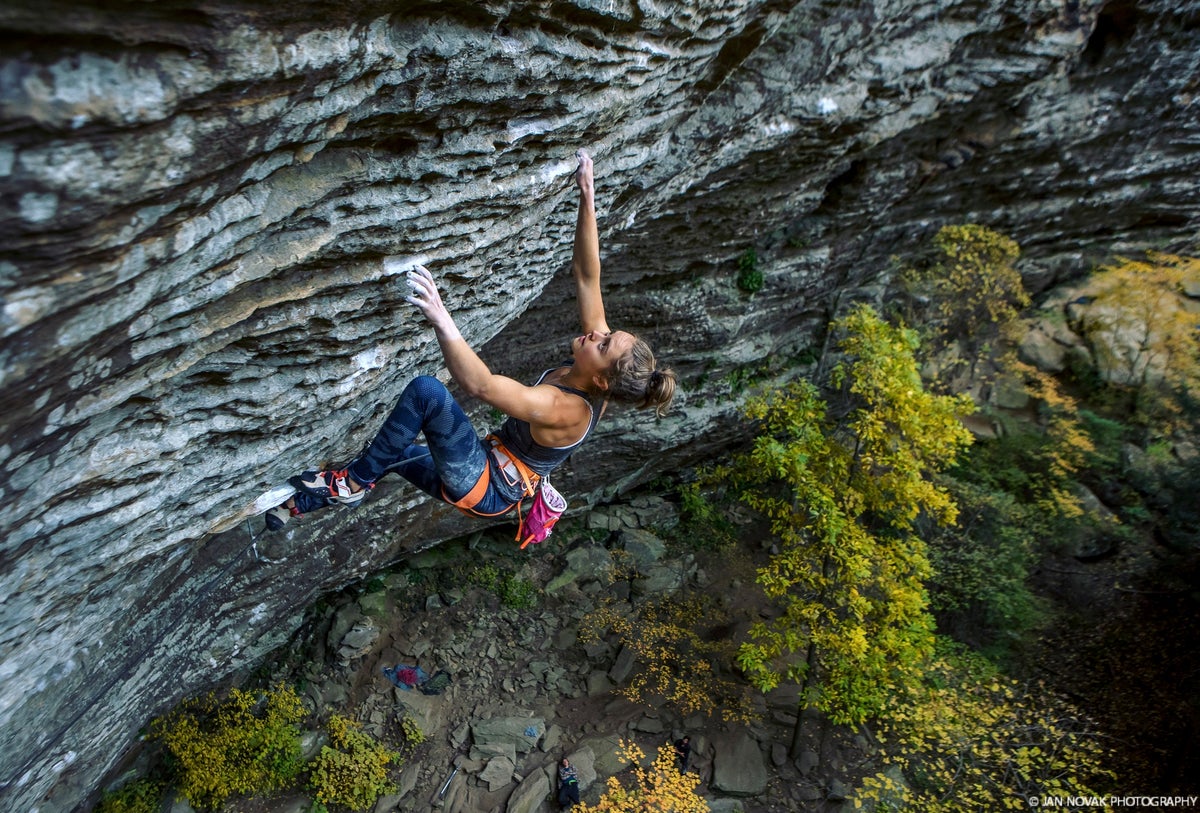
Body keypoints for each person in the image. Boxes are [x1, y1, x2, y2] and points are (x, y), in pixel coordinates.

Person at [266, 150, 676, 531]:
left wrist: (442, 319)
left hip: (485, 485)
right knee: (391, 452)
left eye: (603, 344)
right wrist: (588, 194)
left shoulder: (564, 408)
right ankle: (298, 507)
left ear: (602, 381)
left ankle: (352, 484)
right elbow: (588, 275)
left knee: (426, 393)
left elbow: (480, 386)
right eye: (606, 334)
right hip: (485, 466)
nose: (597, 332)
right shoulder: (599, 370)